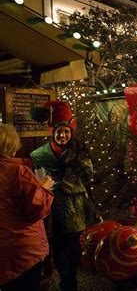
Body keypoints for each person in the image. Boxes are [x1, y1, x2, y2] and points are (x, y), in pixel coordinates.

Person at [30, 101, 97, 291]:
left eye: (66, 132)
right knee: (58, 244)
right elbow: (40, 181)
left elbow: (88, 176)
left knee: (74, 244)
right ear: (54, 132)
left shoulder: (80, 151)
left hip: (75, 205)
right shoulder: (40, 154)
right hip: (54, 205)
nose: (62, 135)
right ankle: (67, 281)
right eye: (59, 132)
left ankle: (71, 276)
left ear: (71, 132)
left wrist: (81, 165)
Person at [0, 124, 54, 291]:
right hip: (22, 250)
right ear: (11, 145)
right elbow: (37, 209)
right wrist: (44, 188)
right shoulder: (18, 172)